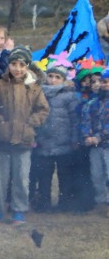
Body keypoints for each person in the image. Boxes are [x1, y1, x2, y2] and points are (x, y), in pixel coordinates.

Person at [0, 47, 49, 225]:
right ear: (8, 65)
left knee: (21, 178)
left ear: (27, 66)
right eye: (14, 64)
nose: (18, 68)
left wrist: (31, 123)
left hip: (24, 140)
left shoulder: (34, 88)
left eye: (22, 65)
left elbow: (43, 109)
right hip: (2, 140)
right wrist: (0, 122)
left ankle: (19, 209)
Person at [31, 64, 80, 212]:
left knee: (64, 176)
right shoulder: (39, 94)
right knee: (44, 176)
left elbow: (75, 119)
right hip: (44, 141)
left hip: (63, 142)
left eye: (57, 77)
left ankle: (64, 203)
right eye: (50, 76)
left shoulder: (69, 96)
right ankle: (44, 203)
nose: (53, 80)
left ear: (64, 80)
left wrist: (74, 138)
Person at [80, 68, 109, 216]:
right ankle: (101, 202)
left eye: (105, 82)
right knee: (97, 174)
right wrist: (87, 136)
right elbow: (86, 120)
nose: (103, 85)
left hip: (107, 144)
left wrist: (99, 136)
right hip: (95, 146)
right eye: (102, 82)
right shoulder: (92, 103)